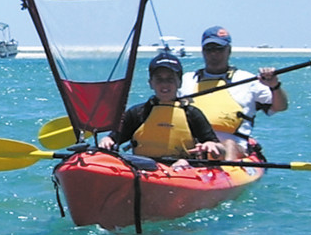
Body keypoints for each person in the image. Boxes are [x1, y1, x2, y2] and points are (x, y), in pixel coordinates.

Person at [99, 53, 236, 164]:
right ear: (151, 83)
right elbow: (113, 139)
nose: (164, 84)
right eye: (159, 79)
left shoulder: (192, 114)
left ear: (179, 82)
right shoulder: (138, 113)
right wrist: (107, 140)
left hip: (182, 169)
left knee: (182, 163)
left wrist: (212, 146)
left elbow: (221, 151)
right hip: (145, 169)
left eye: (170, 79)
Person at [179, 26, 288, 155]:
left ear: (229, 50)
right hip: (194, 146)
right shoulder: (186, 80)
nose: (214, 54)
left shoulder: (247, 80)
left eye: (219, 49)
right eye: (209, 49)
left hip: (233, 148)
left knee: (229, 144)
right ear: (203, 51)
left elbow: (280, 107)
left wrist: (274, 85)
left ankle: (226, 170)